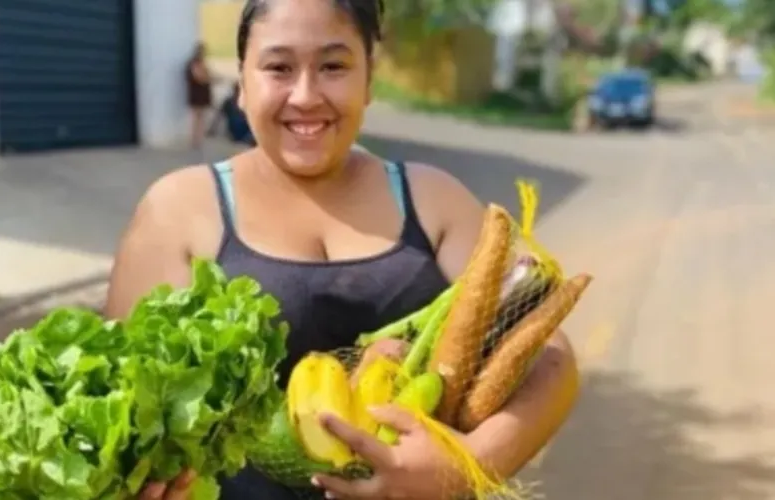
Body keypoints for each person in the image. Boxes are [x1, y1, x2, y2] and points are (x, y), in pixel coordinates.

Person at [106, 0, 580, 499]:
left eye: (333, 66)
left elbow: (551, 358)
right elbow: (122, 400)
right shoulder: (180, 208)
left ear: (368, 79)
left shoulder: (431, 200)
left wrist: (466, 467)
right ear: (242, 84)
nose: (306, 95)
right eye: (278, 68)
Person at [186, 42, 214, 149]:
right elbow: (200, 77)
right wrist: (210, 79)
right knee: (198, 117)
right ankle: (196, 139)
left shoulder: (197, 63)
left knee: (199, 117)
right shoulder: (195, 63)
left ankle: (198, 138)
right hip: (197, 94)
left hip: (199, 93)